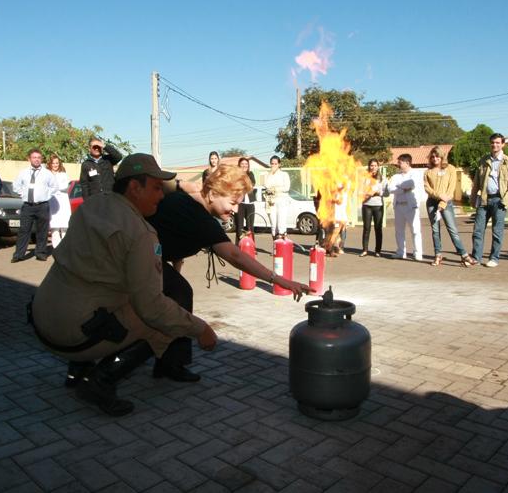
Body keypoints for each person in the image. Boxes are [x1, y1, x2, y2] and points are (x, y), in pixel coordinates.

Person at [29, 154, 219, 416]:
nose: (161, 196)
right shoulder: (140, 232)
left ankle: (78, 369)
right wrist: (200, 328)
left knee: (107, 294)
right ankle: (101, 381)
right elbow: (152, 307)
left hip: (41, 320)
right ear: (134, 188)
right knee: (164, 317)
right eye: (155, 188)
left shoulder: (91, 206)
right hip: (73, 336)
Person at [146, 164, 309, 382]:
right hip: (136, 258)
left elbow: (172, 238)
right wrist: (278, 279)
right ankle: (108, 374)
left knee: (180, 294)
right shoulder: (201, 218)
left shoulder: (190, 204)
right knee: (173, 301)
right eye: (232, 202)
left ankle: (169, 363)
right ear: (212, 194)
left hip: (152, 257)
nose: (234, 209)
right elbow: (235, 256)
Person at [470, 133, 508, 268]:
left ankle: (494, 258)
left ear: (502, 144)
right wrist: (473, 198)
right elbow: (476, 182)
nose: (494, 145)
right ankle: (476, 257)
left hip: (499, 200)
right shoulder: (484, 161)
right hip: (484, 199)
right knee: (478, 230)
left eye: (497, 143)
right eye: (492, 142)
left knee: (497, 231)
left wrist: (505, 200)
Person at [424, 146, 474, 267]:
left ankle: (464, 255)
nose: (435, 158)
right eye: (433, 156)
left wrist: (442, 203)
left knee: (452, 229)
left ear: (442, 157)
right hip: (432, 202)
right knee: (435, 230)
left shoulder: (450, 168)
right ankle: (438, 255)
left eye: (437, 156)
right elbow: (427, 189)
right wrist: (439, 195)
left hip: (446, 203)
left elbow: (451, 189)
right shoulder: (428, 172)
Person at [12, 149, 59, 263]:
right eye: (34, 157)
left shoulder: (47, 173)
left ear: (41, 159)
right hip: (27, 206)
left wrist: (46, 195)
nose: (37, 159)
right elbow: (16, 186)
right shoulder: (23, 172)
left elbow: (54, 187)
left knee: (42, 231)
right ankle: (19, 254)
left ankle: (41, 253)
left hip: (42, 205)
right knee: (24, 230)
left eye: (39, 157)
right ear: (29, 159)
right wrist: (23, 194)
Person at [388, 154, 423, 261]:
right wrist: (403, 188)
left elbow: (411, 183)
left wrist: (398, 186)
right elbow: (390, 188)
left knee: (415, 230)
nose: (398, 164)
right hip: (398, 206)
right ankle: (401, 252)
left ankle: (418, 253)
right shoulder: (395, 176)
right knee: (399, 231)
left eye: (400, 162)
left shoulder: (415, 174)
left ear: (407, 163)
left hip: (410, 206)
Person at [359, 159, 386, 257]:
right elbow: (360, 190)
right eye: (371, 165)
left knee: (378, 228)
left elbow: (386, 192)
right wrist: (366, 193)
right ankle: (365, 249)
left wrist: (378, 193)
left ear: (378, 167)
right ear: (369, 166)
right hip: (367, 205)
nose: (373, 167)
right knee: (366, 228)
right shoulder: (364, 178)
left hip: (378, 205)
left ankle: (378, 250)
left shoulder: (382, 178)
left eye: (375, 165)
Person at [261, 155, 291, 238]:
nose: (273, 165)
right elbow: (266, 185)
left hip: (282, 200)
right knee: (273, 224)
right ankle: (275, 244)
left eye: (275, 163)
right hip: (271, 201)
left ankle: (282, 240)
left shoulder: (284, 174)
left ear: (279, 164)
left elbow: (287, 187)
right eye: (272, 163)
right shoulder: (267, 175)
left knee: (281, 222)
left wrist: (275, 189)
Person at [47, 154, 72, 248]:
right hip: (52, 203)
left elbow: (65, 186)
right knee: (55, 229)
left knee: (64, 227)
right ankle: (57, 248)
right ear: (50, 164)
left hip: (63, 203)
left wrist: (54, 187)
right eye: (53, 163)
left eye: (57, 163)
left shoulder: (63, 174)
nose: (55, 165)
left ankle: (65, 247)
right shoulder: (47, 174)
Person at [234, 157, 256, 240]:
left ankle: (252, 247)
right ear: (239, 165)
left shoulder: (251, 174)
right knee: (239, 226)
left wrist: (243, 184)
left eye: (246, 164)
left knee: (250, 227)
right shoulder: (236, 175)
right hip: (240, 203)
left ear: (248, 165)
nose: (244, 165)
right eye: (242, 164)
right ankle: (238, 247)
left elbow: (252, 184)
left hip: (250, 204)